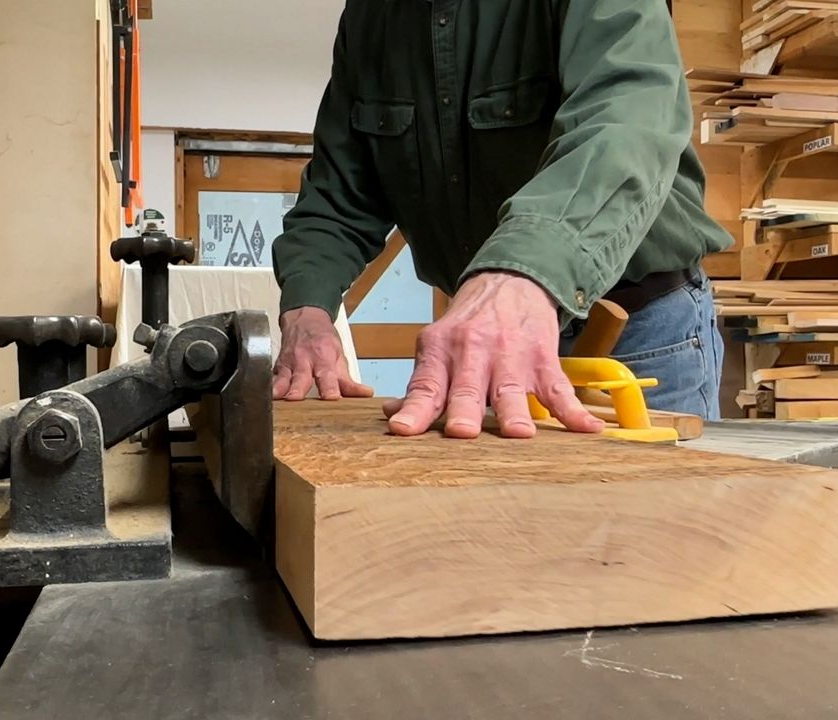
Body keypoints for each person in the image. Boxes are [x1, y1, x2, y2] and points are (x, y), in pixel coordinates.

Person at [270, 0, 733, 440]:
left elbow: (625, 123)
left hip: (635, 332)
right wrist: (307, 308)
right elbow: (337, 196)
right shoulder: (370, 17)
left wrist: (519, 271)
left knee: (660, 520)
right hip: (489, 345)